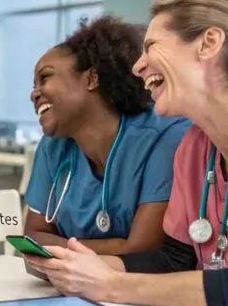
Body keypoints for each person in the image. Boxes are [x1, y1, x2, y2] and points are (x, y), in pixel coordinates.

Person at [26, 0, 228, 306]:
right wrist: (79, 268)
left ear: (209, 43)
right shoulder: (196, 146)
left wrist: (111, 285)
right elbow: (174, 259)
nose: (138, 66)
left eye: (151, 46)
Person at [25, 16, 190, 256]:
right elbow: (32, 235)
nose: (34, 94)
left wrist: (55, 248)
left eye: (45, 77)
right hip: (68, 285)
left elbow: (141, 249)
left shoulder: (164, 136)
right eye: (33, 85)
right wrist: (113, 248)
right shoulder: (53, 146)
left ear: (91, 79)